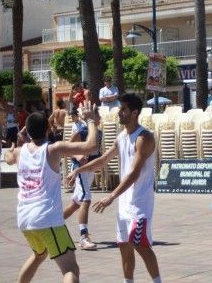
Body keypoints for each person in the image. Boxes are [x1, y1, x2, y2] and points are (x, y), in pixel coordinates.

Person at [67, 93, 162, 282]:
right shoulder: (122, 136)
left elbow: (134, 173)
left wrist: (111, 196)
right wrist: (79, 170)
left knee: (141, 245)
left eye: (123, 109)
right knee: (124, 248)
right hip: (124, 206)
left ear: (134, 113)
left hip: (139, 205)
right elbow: (103, 160)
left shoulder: (144, 137)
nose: (119, 112)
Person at [4, 103, 98, 283]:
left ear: (28, 131)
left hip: (25, 219)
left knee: (38, 256)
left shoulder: (18, 152)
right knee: (70, 269)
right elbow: (91, 146)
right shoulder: (52, 150)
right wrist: (91, 120)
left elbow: (8, 157)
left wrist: (18, 139)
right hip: (47, 218)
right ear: (48, 128)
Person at [63, 107, 102, 250]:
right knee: (86, 199)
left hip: (89, 171)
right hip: (79, 170)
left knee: (76, 204)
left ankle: (52, 225)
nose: (100, 117)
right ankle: (83, 237)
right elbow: (67, 148)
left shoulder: (99, 133)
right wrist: (79, 157)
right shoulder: (82, 132)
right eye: (97, 114)